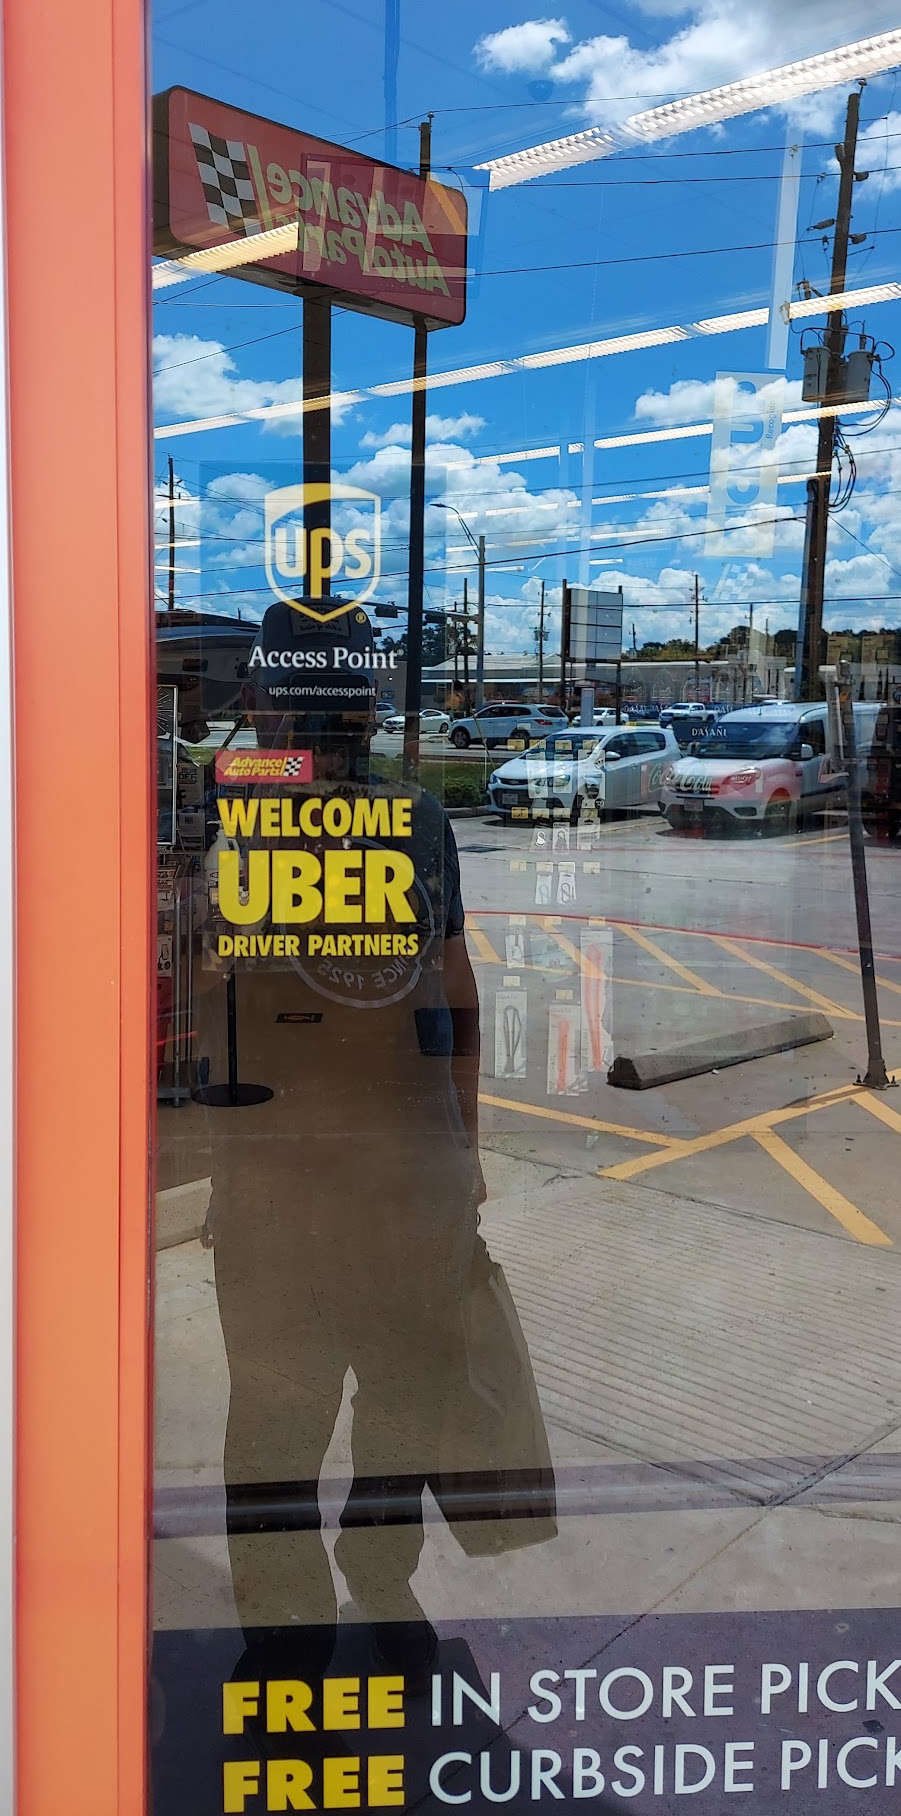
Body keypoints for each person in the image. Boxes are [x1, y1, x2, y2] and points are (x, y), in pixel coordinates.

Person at [201, 601, 554, 1683]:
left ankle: (355, 1583)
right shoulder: (240, 826)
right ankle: (302, 1620)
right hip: (304, 1188)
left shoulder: (396, 823)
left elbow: (451, 988)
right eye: (317, 702)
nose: (328, 724)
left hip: (380, 1185)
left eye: (339, 702)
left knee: (375, 1410)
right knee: (302, 1418)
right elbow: (211, 1005)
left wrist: (464, 1149)